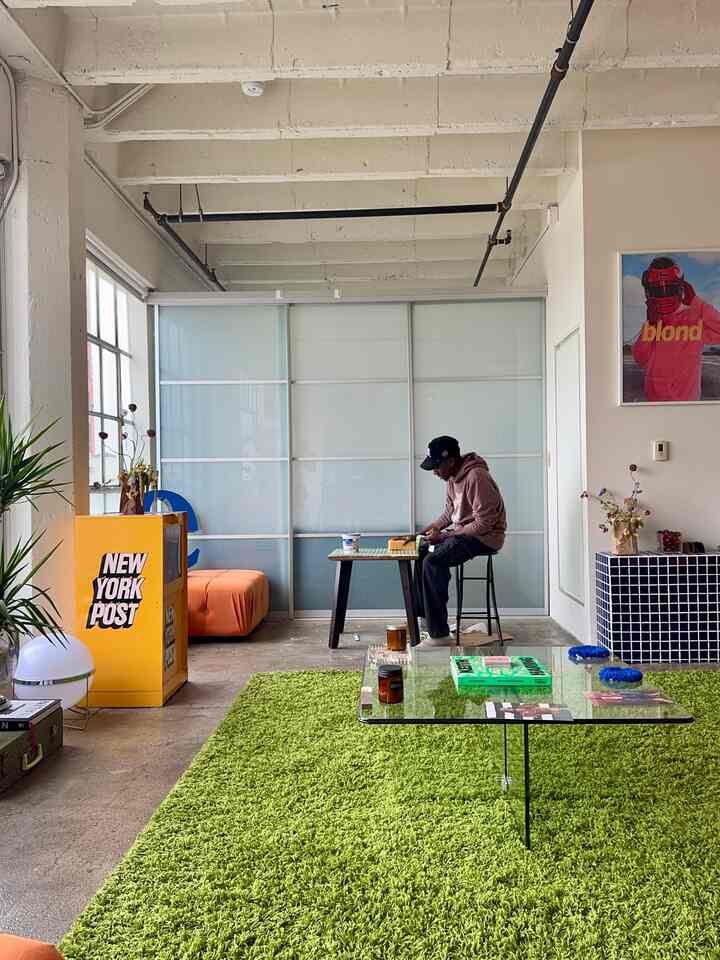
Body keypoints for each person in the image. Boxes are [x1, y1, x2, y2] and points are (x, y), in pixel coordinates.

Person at [413, 436, 506, 646]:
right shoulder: (451, 479)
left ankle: (440, 636)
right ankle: (427, 619)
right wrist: (427, 530)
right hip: (464, 533)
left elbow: (485, 523)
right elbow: (449, 513)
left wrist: (446, 535)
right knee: (421, 551)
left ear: (451, 460)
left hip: (485, 537)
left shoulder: (477, 477)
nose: (434, 472)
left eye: (437, 466)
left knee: (433, 561)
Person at [632, 256, 720, 402]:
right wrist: (651, 326)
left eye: (670, 289)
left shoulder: (695, 319)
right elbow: (640, 359)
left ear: (681, 289)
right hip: (654, 405)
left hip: (686, 405)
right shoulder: (652, 324)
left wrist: (697, 303)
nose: (664, 295)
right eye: (658, 291)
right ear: (649, 293)